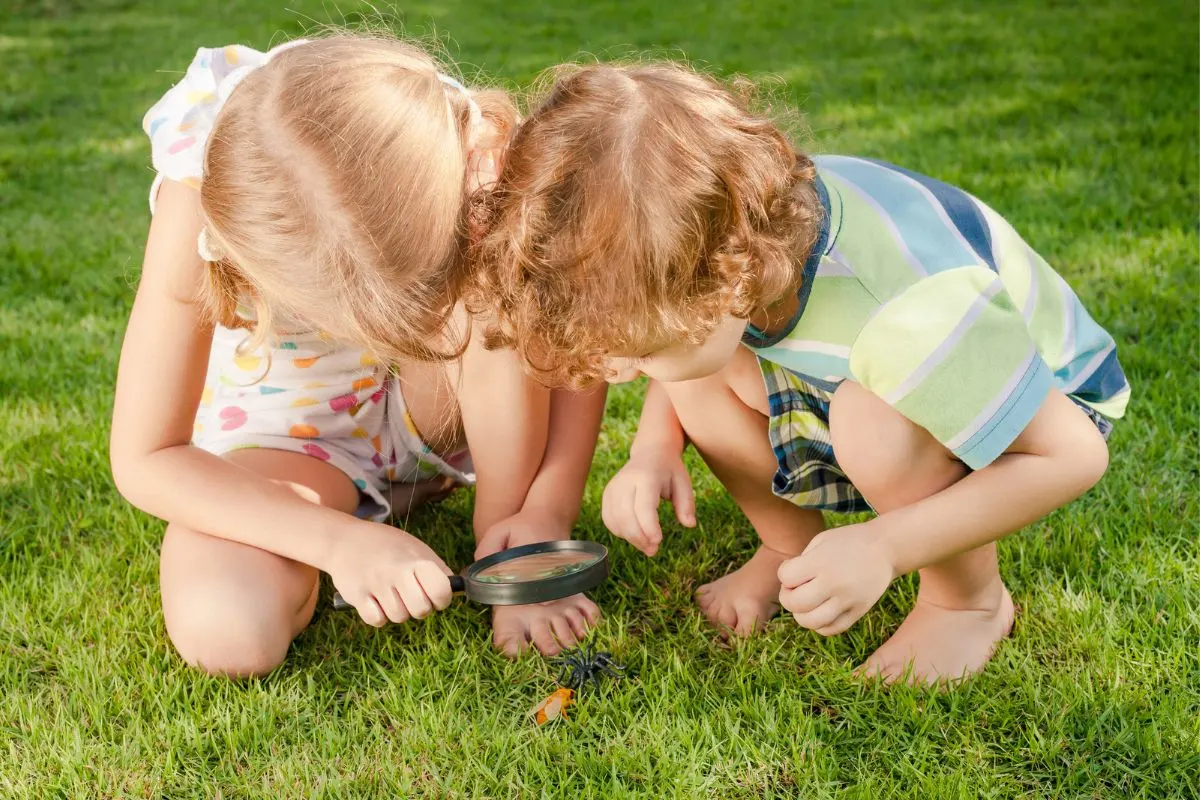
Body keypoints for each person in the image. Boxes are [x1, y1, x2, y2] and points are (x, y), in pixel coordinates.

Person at [471, 62, 1128, 684]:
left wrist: (885, 546)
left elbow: (1072, 457)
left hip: (1024, 408)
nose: (615, 374)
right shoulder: (739, 246)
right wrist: (654, 448)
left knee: (870, 424)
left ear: (728, 288)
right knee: (700, 376)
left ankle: (967, 605)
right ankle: (787, 547)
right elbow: (694, 350)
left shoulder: (905, 311)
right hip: (860, 369)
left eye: (640, 354)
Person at [110, 35, 602, 677]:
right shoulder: (199, 199)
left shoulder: (464, 158)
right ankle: (370, 503)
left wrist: (545, 513)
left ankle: (501, 538)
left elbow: (578, 341)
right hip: (292, 437)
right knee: (227, 627)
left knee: (497, 296)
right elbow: (147, 458)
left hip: (445, 408)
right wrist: (336, 542)